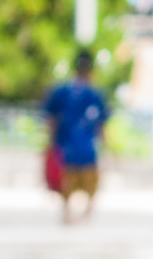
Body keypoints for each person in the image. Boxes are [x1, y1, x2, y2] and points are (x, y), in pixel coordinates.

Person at [42, 51, 110, 224]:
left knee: (67, 186)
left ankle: (67, 214)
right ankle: (86, 215)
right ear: (91, 70)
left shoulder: (61, 91)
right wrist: (107, 149)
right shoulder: (95, 94)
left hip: (65, 149)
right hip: (87, 150)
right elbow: (101, 126)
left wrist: (50, 143)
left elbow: (51, 121)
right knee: (91, 186)